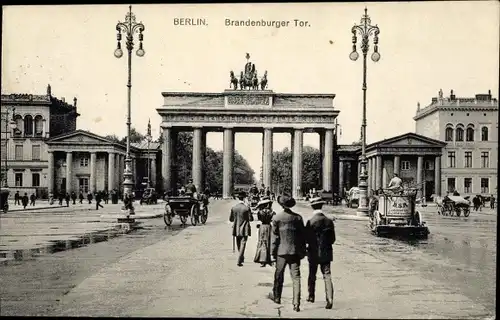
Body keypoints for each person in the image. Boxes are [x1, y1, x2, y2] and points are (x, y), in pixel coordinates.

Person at [268, 194, 307, 312]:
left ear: (281, 205)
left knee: (279, 275)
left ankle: (277, 297)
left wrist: (272, 253)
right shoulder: (298, 218)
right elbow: (302, 236)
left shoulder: (277, 218)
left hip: (281, 252)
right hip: (294, 252)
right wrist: (302, 251)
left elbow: (274, 238)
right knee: (296, 277)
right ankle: (296, 303)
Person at [305, 196, 335, 310]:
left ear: (312, 207)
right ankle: (330, 299)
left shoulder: (310, 221)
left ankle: (311, 295)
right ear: (322, 206)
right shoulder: (329, 221)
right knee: (327, 275)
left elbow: (306, 239)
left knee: (312, 274)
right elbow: (333, 239)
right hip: (326, 252)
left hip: (313, 253)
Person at [229, 190, 253, 267]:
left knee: (239, 243)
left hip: (236, 228)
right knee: (243, 243)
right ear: (244, 198)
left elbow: (231, 219)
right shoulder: (246, 208)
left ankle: (241, 256)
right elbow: (251, 219)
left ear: (238, 198)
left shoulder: (234, 208)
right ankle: (240, 258)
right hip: (245, 228)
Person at [254, 197, 276, 267]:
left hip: (262, 227)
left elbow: (259, 220)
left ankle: (262, 258)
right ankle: (268, 258)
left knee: (262, 241)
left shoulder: (260, 212)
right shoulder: (272, 212)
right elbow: (273, 220)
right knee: (269, 241)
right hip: (269, 227)